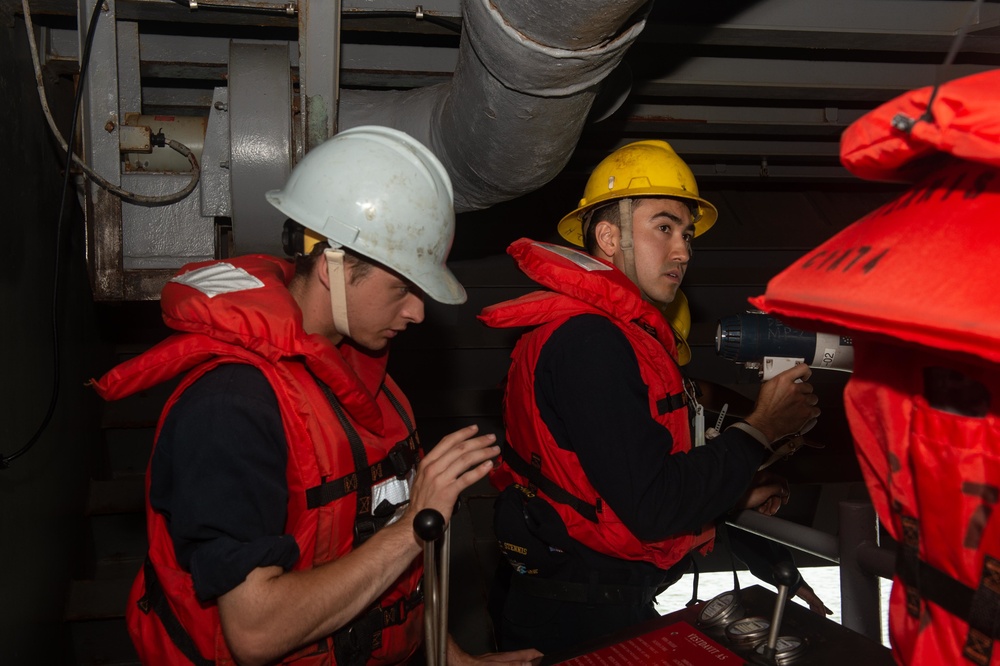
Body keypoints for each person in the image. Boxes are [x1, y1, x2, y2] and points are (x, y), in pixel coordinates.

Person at [91, 126, 542, 666]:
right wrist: (415, 524)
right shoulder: (231, 406)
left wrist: (450, 658)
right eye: (403, 288)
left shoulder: (364, 373)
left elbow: (384, 556)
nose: (419, 312)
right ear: (332, 267)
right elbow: (255, 632)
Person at [478, 139, 823, 655]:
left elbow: (630, 486)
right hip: (577, 621)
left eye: (686, 234)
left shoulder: (607, 336)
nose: (683, 250)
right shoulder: (589, 340)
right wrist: (762, 428)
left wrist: (730, 496)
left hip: (601, 604)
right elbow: (653, 505)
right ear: (608, 236)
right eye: (664, 227)